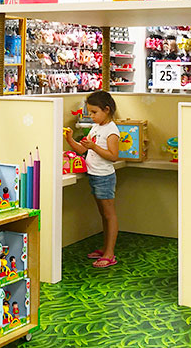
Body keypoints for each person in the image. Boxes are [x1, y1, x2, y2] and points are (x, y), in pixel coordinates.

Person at [64, 90, 120, 269]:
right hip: (94, 175)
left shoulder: (111, 130)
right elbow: (83, 150)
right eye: (89, 112)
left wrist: (93, 146)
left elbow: (113, 156)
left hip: (104, 177)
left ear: (107, 109)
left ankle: (110, 254)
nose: (91, 116)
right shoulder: (96, 127)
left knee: (109, 215)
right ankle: (105, 248)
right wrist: (71, 140)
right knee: (103, 214)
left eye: (94, 112)